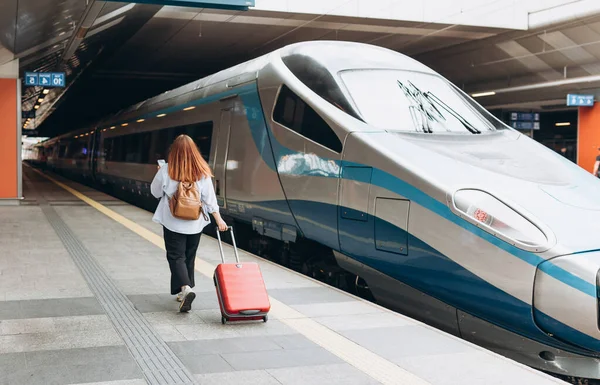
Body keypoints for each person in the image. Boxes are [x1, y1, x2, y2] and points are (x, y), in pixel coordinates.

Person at [150, 135, 228, 312]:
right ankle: (182, 290)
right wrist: (219, 219)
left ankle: (185, 289)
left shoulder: (166, 170)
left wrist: (161, 175)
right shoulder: (203, 171)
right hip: (195, 223)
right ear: (195, 151)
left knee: (176, 257)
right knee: (189, 256)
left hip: (172, 221)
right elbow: (209, 199)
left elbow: (154, 192)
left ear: (174, 152)